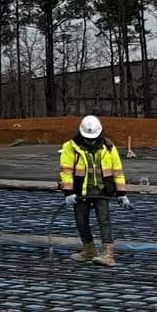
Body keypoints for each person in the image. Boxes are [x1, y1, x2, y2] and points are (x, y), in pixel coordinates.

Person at [59, 114, 127, 267]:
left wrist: (122, 194)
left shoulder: (108, 147)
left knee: (104, 221)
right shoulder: (70, 148)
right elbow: (66, 172)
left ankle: (108, 254)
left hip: (102, 191)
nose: (91, 141)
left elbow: (117, 171)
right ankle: (89, 250)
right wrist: (68, 192)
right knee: (81, 222)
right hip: (80, 192)